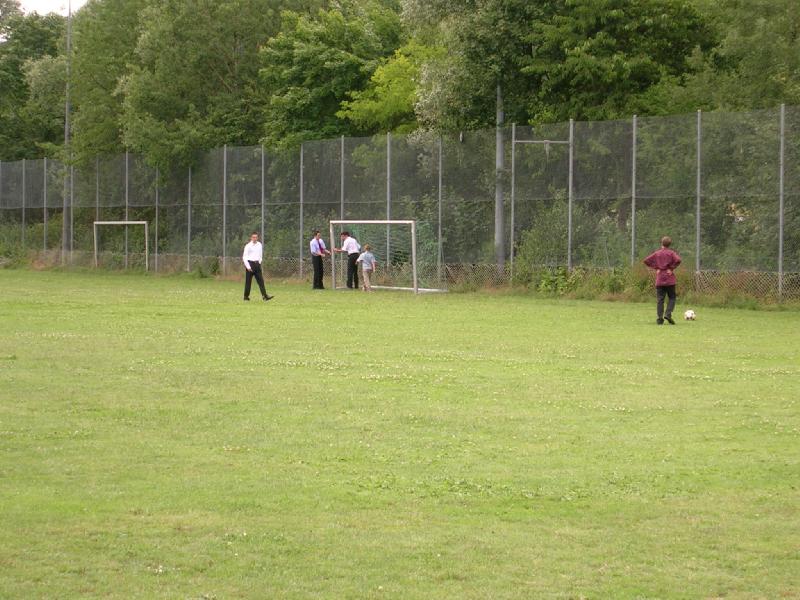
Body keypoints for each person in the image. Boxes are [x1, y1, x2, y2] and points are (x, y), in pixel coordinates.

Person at [644, 236, 682, 325]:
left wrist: (656, 268)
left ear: (661, 243)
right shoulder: (671, 253)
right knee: (672, 297)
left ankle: (660, 319)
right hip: (669, 278)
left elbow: (646, 260)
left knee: (660, 299)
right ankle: (668, 314)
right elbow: (678, 260)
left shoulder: (657, 253)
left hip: (660, 278)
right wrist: (671, 268)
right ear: (669, 244)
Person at [242, 232, 273, 302]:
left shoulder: (259, 245)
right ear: (251, 238)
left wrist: (259, 262)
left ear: (257, 238)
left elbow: (260, 255)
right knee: (248, 282)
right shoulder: (248, 246)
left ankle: (265, 296)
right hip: (250, 264)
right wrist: (248, 267)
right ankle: (246, 297)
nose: (254, 238)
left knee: (261, 281)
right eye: (253, 237)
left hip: (257, 265)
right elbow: (244, 257)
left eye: (256, 237)